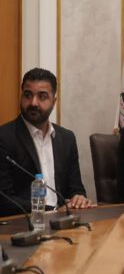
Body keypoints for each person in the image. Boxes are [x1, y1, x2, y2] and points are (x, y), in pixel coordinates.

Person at [0, 68, 92, 216]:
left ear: (54, 101)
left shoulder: (66, 138)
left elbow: (76, 189)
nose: (33, 103)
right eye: (28, 95)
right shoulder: (4, 137)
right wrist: (52, 211)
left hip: (63, 221)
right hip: (23, 223)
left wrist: (79, 199)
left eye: (42, 96)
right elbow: (4, 200)